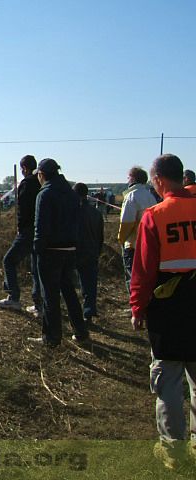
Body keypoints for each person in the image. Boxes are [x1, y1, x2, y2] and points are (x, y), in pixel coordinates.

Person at [130, 153, 196, 469]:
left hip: (167, 310)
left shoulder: (154, 216)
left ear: (158, 180)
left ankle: (174, 452)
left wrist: (137, 309)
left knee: (168, 383)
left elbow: (142, 271)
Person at [28, 159, 89, 347]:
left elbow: (41, 225)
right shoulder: (71, 193)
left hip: (50, 250)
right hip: (70, 249)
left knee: (50, 296)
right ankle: (80, 331)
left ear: (42, 174)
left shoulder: (44, 194)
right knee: (69, 291)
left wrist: (37, 248)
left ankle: (51, 338)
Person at [0, 155, 42, 315]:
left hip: (27, 230)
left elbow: (22, 210)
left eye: (22, 169)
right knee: (36, 267)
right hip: (40, 231)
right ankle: (39, 303)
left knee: (8, 260)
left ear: (24, 168)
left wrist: (20, 228)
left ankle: (13, 297)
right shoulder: (41, 183)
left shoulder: (26, 184)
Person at [118, 166, 157, 293]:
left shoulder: (131, 196)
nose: (127, 179)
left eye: (128, 177)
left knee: (132, 278)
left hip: (133, 245)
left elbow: (126, 222)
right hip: (148, 245)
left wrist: (121, 239)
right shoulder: (150, 196)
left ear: (133, 178)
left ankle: (135, 308)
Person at [72, 182, 104, 325]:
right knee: (89, 285)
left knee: (68, 284)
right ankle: (88, 313)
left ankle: (71, 312)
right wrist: (97, 251)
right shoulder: (96, 213)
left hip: (75, 252)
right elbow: (100, 236)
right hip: (91, 252)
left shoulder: (73, 212)